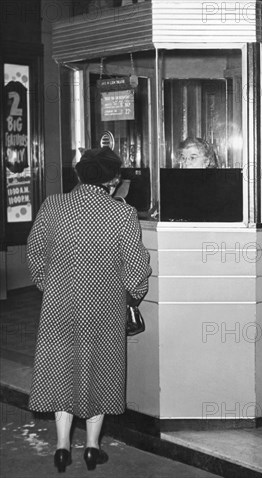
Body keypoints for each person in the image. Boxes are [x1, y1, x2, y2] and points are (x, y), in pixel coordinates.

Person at [26, 147, 152, 472]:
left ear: (79, 174)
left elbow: (36, 250)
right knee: (101, 371)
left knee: (61, 370)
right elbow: (136, 267)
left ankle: (62, 446)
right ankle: (93, 447)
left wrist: (48, 284)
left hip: (59, 304)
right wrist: (133, 294)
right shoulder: (121, 213)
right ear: (112, 180)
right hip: (105, 307)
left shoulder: (53, 205)